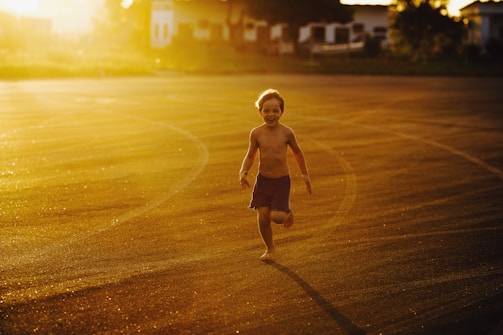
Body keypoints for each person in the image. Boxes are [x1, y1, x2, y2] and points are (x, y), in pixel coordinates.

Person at [239, 89, 311, 261]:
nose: (271, 114)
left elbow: (297, 152)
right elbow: (250, 155)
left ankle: (287, 211)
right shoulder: (256, 133)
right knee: (263, 218)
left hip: (281, 182)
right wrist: (243, 171)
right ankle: (270, 249)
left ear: (281, 112)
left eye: (275, 110)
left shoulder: (287, 133)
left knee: (277, 218)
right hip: (263, 182)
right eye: (266, 110)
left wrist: (305, 175)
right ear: (260, 112)